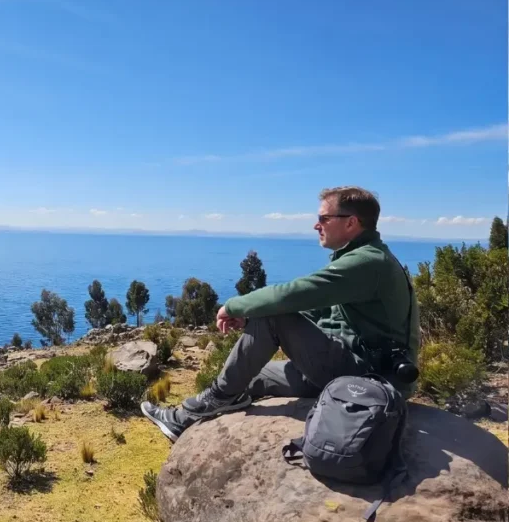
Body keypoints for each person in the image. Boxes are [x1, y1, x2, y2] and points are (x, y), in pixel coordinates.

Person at [142, 186, 419, 442]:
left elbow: (292, 295)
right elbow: (321, 312)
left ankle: (196, 412)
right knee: (249, 376)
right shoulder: (363, 258)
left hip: (368, 380)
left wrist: (234, 306)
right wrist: (251, 320)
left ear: (351, 222)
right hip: (355, 367)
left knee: (274, 314)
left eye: (324, 218)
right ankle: (216, 405)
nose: (316, 225)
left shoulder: (368, 263)